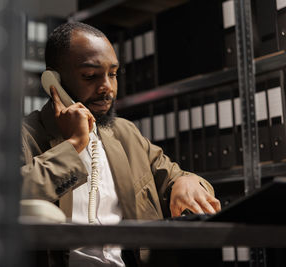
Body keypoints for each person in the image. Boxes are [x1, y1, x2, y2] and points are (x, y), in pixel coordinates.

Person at [21, 22, 221, 267]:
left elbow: (174, 175)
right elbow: (5, 200)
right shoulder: (23, 136)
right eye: (90, 76)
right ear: (54, 81)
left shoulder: (125, 133)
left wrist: (185, 182)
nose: (108, 88)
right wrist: (73, 146)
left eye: (113, 74)